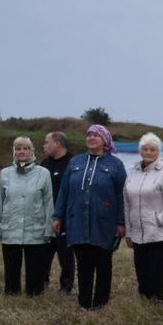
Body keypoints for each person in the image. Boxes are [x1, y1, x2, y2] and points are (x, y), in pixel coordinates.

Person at [52, 123, 127, 310]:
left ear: (105, 140)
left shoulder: (115, 165)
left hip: (104, 222)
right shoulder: (75, 162)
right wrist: (57, 216)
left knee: (103, 264)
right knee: (83, 264)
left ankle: (100, 304)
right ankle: (84, 303)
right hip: (77, 220)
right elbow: (64, 191)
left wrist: (121, 221)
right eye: (89, 135)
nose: (91, 138)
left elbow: (122, 195)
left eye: (96, 135)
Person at [122, 132, 163, 301]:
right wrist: (129, 231)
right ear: (140, 151)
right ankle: (143, 300)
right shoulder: (133, 172)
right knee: (140, 269)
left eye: (152, 149)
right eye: (145, 149)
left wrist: (159, 219)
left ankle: (156, 302)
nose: (148, 152)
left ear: (159, 152)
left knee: (155, 270)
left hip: (157, 232)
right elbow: (127, 203)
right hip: (137, 231)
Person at [0, 136, 55, 296]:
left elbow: (48, 202)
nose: (22, 151)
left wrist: (49, 230)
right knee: (11, 265)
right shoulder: (5, 173)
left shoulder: (43, 173)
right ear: (14, 151)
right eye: (18, 148)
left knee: (35, 266)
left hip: (35, 228)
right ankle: (12, 293)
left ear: (31, 151)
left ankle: (34, 293)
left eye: (25, 148)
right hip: (11, 228)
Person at [41, 131, 76, 293]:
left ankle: (66, 285)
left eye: (46, 142)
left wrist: (62, 215)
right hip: (45, 217)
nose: (44, 146)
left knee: (66, 254)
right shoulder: (44, 164)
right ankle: (41, 281)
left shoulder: (73, 163)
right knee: (43, 253)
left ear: (57, 143)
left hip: (66, 218)